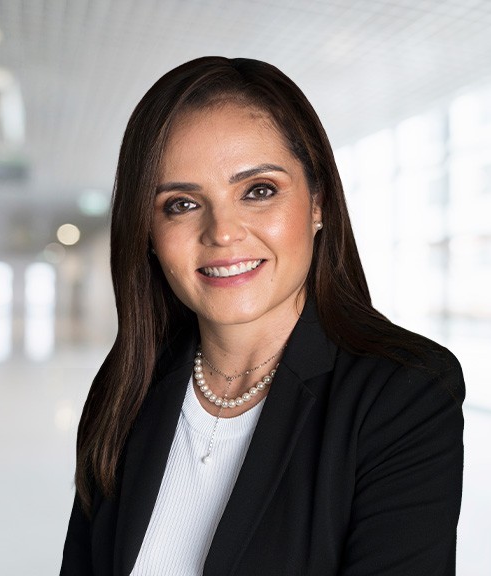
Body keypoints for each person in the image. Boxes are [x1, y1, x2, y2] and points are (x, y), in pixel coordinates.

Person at [60, 56, 465, 576]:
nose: (222, 232)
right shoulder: (127, 387)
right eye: (181, 204)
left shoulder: (404, 393)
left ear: (318, 203)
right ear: (149, 234)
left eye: (258, 191)